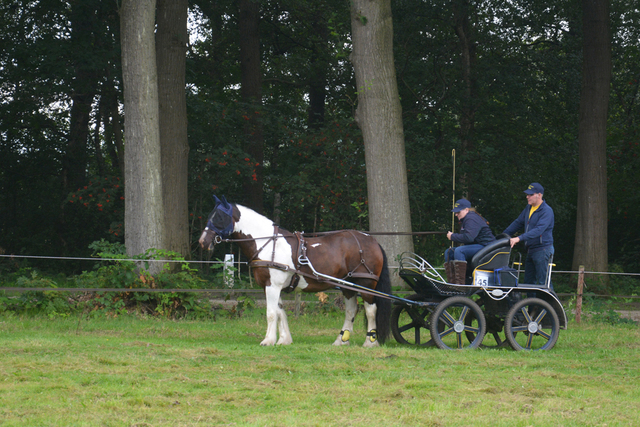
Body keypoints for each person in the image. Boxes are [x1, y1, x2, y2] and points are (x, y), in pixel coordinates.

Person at [502, 182, 555, 290]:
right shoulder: (529, 208)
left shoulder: (546, 211)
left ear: (539, 195)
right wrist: (504, 235)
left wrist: (519, 238)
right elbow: (518, 222)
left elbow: (538, 230)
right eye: (527, 194)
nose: (527, 196)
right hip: (531, 250)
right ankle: (532, 307)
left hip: (543, 250)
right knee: (529, 283)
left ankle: (550, 307)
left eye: (530, 194)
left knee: (543, 283)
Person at [444, 199, 496, 284]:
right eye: (455, 212)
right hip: (479, 245)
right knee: (449, 252)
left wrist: (452, 236)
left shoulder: (471, 218)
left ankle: (461, 283)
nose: (456, 214)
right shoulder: (467, 218)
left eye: (458, 212)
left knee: (459, 251)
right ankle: (452, 282)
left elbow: (469, 238)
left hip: (486, 246)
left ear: (466, 210)